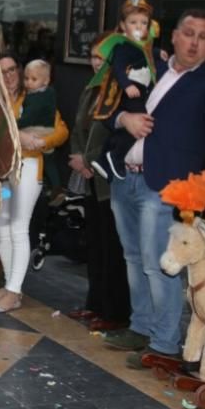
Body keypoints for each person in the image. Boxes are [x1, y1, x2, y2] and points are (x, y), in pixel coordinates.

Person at [103, 8, 205, 368]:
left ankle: (165, 343)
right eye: (189, 33)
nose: (194, 42)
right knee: (133, 258)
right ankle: (140, 327)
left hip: (168, 187)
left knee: (161, 265)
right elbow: (109, 108)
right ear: (173, 36)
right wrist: (125, 118)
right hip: (126, 175)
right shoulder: (150, 66)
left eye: (203, 37)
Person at [0, 53, 68, 313]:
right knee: (1, 229)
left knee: (18, 228)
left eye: (11, 70)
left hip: (28, 167)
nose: (8, 76)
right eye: (2, 71)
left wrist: (41, 142)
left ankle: (14, 290)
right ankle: (10, 287)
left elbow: (61, 130)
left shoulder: (35, 97)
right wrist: (18, 135)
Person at [69, 37, 130, 331]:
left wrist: (91, 160)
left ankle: (114, 312)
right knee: (94, 244)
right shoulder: (91, 88)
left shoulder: (121, 90)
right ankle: (95, 304)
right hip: (89, 176)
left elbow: (114, 136)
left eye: (102, 57)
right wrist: (78, 156)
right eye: (93, 56)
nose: (96, 62)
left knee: (111, 248)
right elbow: (78, 128)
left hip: (108, 179)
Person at [89, 0, 166, 181]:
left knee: (131, 127)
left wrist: (159, 52)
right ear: (123, 26)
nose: (139, 27)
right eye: (133, 22)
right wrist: (127, 85)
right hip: (130, 92)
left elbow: (145, 52)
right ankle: (115, 156)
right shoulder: (122, 45)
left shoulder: (143, 45)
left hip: (140, 89)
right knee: (141, 123)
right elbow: (117, 67)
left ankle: (103, 159)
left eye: (143, 22)